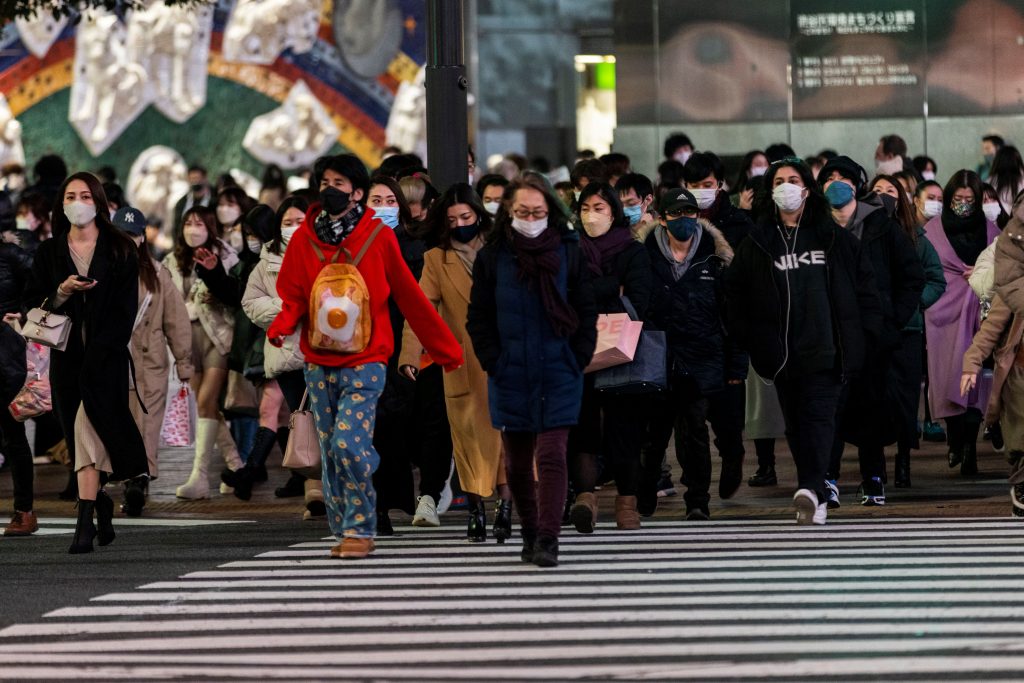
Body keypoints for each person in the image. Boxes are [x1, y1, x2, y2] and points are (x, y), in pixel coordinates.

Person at [267, 154, 462, 560]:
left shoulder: (378, 236)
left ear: (357, 192)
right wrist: (283, 323)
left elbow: (410, 296)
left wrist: (444, 350)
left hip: (368, 357)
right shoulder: (304, 238)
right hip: (318, 361)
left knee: (349, 444)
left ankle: (360, 527)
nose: (330, 189)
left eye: (340, 182)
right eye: (325, 181)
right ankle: (344, 528)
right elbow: (294, 292)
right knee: (331, 448)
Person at [725, 158, 881, 526]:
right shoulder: (758, 242)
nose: (787, 186)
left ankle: (811, 486)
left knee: (819, 419)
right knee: (796, 425)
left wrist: (865, 338)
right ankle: (818, 494)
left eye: (793, 180)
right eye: (779, 181)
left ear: (807, 189)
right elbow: (734, 294)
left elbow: (865, 290)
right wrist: (750, 338)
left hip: (828, 350)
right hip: (781, 355)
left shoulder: (832, 237)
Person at [466, 176, 597, 567]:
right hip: (511, 370)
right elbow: (479, 317)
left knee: (554, 453)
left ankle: (548, 538)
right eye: (523, 212)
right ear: (509, 211)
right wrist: (493, 359)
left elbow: (586, 308)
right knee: (518, 463)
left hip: (559, 366)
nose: (531, 218)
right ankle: (528, 529)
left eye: (538, 212)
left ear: (550, 211)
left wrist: (579, 355)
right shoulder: (494, 256)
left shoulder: (568, 250)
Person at [24, 172, 148, 553]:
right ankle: (102, 506)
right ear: (62, 204)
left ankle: (84, 522)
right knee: (80, 435)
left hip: (104, 360)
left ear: (97, 202)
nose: (77, 201)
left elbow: (124, 313)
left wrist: (100, 351)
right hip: (65, 360)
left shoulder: (120, 249)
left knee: (85, 431)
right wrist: (61, 292)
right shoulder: (49, 252)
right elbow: (34, 303)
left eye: (84, 194)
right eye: (70, 195)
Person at [398, 183, 516, 540]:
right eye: (452, 219)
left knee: (506, 438)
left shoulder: (502, 250)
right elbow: (421, 311)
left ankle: (505, 507)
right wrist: (409, 355)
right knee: (467, 441)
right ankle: (478, 509)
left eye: (466, 216)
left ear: (479, 214)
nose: (460, 223)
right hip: (460, 363)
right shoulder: (436, 259)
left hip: (503, 359)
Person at [819, 156, 924, 507]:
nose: (836, 183)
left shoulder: (880, 225)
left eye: (844, 177)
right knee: (830, 409)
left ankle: (873, 478)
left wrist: (890, 320)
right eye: (829, 177)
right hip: (829, 335)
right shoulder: (815, 229)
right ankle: (827, 478)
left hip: (872, 336)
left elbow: (911, 277)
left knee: (870, 409)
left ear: (856, 185)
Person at [641, 187, 742, 520]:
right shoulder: (644, 254)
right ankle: (646, 489)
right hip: (657, 355)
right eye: (675, 214)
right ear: (662, 218)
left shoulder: (716, 256)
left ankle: (698, 499)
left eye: (689, 213)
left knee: (694, 429)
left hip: (702, 356)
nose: (683, 220)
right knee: (653, 434)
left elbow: (734, 315)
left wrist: (735, 364)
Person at [364, 175, 453, 536]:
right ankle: (382, 505)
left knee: (429, 423)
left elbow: (423, 301)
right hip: (372, 346)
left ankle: (429, 495)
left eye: (390, 201)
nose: (382, 208)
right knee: (384, 428)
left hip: (418, 347)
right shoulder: (354, 246)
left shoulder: (417, 245)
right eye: (376, 201)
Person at [565, 182, 652, 531]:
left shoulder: (633, 251)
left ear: (614, 212)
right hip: (580, 350)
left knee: (624, 430)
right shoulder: (570, 250)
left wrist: (593, 294)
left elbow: (640, 299)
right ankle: (585, 498)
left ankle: (626, 504)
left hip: (622, 351)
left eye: (599, 208)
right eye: (586, 207)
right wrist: (609, 288)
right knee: (581, 429)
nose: (591, 215)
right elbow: (566, 295)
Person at [682, 152, 755, 499]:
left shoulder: (739, 224)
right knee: (693, 414)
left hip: (730, 328)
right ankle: (697, 490)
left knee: (727, 411)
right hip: (692, 329)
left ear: (721, 184)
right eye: (694, 186)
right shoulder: (678, 221)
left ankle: (732, 452)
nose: (700, 192)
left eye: (707, 185)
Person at [869, 178, 947, 487]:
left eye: (891, 192)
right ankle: (875, 465)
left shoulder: (916, 238)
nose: (884, 197)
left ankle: (903, 460)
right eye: (878, 191)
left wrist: (914, 305)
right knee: (874, 399)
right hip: (872, 331)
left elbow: (935, 279)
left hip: (908, 330)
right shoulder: (861, 234)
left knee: (904, 398)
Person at [115, 206, 192, 515]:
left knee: (146, 424)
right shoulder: (102, 270)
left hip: (150, 362)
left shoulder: (158, 273)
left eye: (133, 234)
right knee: (123, 422)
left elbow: (177, 321)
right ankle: (129, 477)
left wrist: (184, 363)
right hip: (118, 361)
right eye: (123, 234)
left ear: (142, 237)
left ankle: (138, 478)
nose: (128, 240)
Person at [164, 206, 244, 499]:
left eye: (199, 222)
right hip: (185, 339)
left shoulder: (225, 254)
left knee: (208, 400)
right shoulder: (172, 259)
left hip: (217, 336)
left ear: (210, 226)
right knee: (205, 406)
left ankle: (199, 477)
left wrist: (214, 276)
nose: (193, 228)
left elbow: (236, 294)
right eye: (188, 222)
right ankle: (237, 467)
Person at [925, 170, 1000, 476]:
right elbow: (927, 269)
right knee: (947, 378)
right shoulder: (931, 231)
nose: (964, 204)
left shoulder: (992, 231)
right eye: (958, 199)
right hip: (943, 315)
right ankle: (955, 440)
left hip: (981, 315)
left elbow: (1003, 264)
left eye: (970, 199)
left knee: (977, 381)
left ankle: (968, 447)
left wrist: (983, 274)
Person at [237, 196, 310, 506]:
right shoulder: (266, 263)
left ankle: (313, 487)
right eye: (287, 223)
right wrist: (289, 307)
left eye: (300, 222)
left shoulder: (327, 253)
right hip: (286, 355)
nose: (293, 229)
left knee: (322, 423)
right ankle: (314, 492)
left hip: (324, 353)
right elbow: (250, 303)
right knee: (302, 421)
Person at [209, 204, 281, 500]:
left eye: (254, 233)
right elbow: (235, 296)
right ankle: (258, 473)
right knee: (279, 414)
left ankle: (250, 472)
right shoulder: (248, 264)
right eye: (246, 233)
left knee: (275, 412)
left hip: (278, 347)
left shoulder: (276, 262)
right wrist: (211, 273)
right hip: (260, 351)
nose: (251, 239)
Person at [962, 293, 1024, 515]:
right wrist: (971, 362)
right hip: (1019, 375)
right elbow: (991, 329)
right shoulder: (1014, 287)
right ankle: (1022, 483)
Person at [0, 217, 34, 536]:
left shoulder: (10, 255)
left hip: (6, 355)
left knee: (13, 433)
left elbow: (43, 281)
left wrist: (23, 315)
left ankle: (24, 511)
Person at [173, 164, 213, 238]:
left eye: (197, 178)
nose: (195, 181)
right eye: (192, 178)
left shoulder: (215, 200)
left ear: (205, 178)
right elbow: (176, 228)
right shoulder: (182, 203)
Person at [215, 186, 255, 254]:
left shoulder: (247, 236)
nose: (224, 209)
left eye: (230, 205)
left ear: (242, 208)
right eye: (221, 204)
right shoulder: (213, 231)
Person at [988, 145, 1024, 213]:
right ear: (1018, 161)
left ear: (997, 162)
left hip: (998, 221)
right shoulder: (1022, 180)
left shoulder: (990, 181)